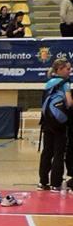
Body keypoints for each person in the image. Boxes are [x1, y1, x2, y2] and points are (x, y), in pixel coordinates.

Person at [38, 57, 73, 191]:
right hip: (59, 123)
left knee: (47, 152)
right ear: (59, 69)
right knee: (59, 153)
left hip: (47, 122)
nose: (69, 71)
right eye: (67, 69)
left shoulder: (48, 83)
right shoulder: (65, 83)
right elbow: (69, 103)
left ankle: (42, 182)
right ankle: (55, 184)